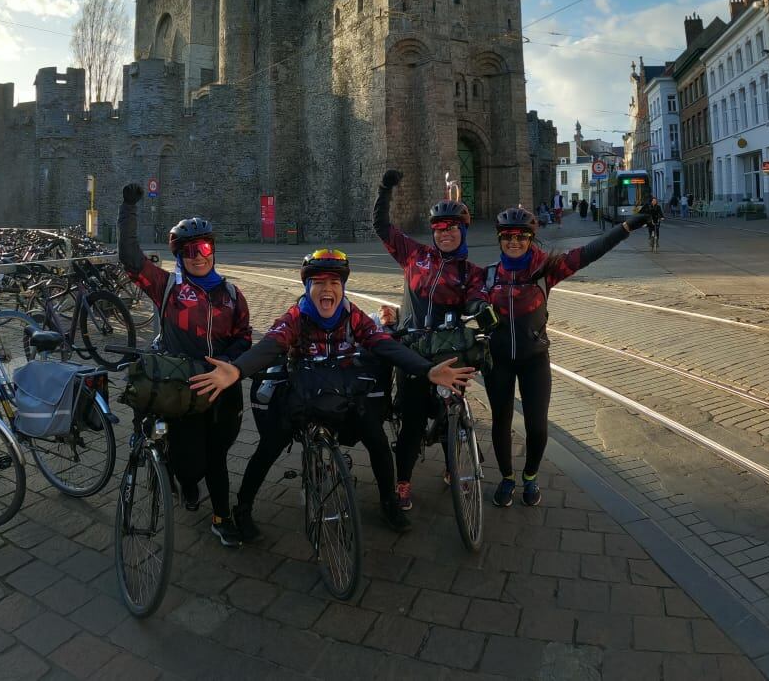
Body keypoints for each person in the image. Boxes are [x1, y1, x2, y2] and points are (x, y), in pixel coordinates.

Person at [189, 249, 476, 538]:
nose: (327, 289)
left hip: (344, 392)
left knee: (376, 439)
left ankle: (389, 502)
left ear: (343, 287)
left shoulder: (354, 317)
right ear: (307, 287)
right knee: (269, 446)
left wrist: (427, 370)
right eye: (319, 283)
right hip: (303, 394)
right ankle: (243, 509)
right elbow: (271, 345)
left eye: (334, 283)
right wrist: (237, 370)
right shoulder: (296, 316)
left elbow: (385, 345)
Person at [483, 206, 647, 507]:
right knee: (500, 422)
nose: (514, 242)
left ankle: (530, 478)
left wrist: (626, 228)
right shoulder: (489, 275)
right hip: (498, 360)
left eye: (521, 236)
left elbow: (589, 252)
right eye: (507, 236)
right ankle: (507, 478)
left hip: (534, 359)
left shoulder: (545, 269)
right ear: (499, 238)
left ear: (531, 238)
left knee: (537, 426)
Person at [118, 183, 252, 547]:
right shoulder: (167, 287)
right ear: (180, 255)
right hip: (183, 389)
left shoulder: (231, 294)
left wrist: (228, 363)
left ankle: (221, 518)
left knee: (218, 456)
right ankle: (186, 482)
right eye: (190, 251)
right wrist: (129, 207)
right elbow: (131, 259)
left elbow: (243, 337)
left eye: (204, 248)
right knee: (191, 464)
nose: (199, 256)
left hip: (222, 387)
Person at [373, 169, 484, 511]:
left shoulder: (469, 272)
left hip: (449, 353)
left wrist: (483, 311)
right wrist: (385, 189)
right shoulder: (414, 255)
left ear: (462, 231)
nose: (445, 234)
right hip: (413, 350)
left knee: (453, 411)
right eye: (439, 228)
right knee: (412, 418)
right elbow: (382, 228)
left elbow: (478, 299)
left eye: (452, 228)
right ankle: (402, 481)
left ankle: (456, 466)